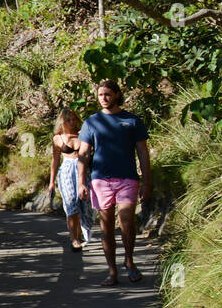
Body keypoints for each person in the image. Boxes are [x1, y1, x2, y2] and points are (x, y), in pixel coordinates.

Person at [77, 80, 151, 286]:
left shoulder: (132, 121)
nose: (103, 98)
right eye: (100, 95)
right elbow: (83, 154)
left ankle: (129, 260)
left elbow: (143, 153)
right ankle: (112, 271)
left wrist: (147, 182)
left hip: (128, 178)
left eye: (108, 94)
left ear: (117, 95)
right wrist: (81, 182)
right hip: (100, 180)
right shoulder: (91, 122)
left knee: (127, 220)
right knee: (106, 226)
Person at [47, 109, 92, 251]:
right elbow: (55, 161)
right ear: (62, 122)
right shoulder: (58, 138)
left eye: (74, 119)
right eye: (68, 120)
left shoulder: (83, 135)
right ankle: (74, 239)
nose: (72, 123)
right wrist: (51, 182)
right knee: (71, 203)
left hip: (83, 171)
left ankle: (80, 234)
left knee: (84, 206)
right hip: (66, 172)